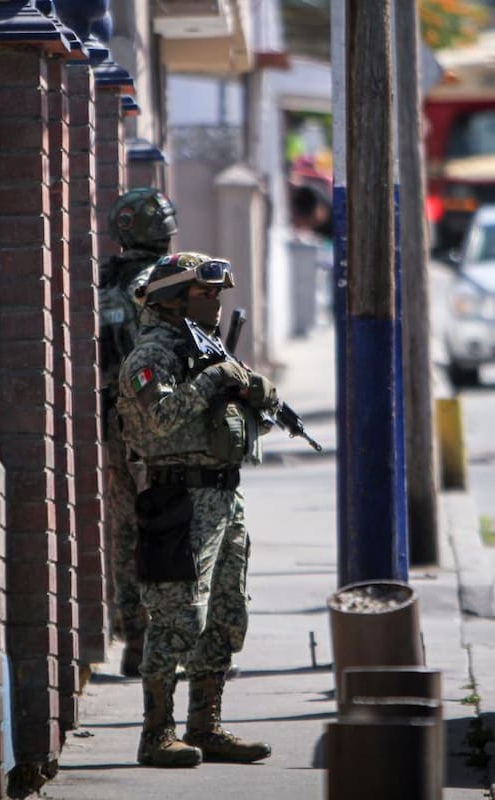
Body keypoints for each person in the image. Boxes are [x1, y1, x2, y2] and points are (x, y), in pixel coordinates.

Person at [116, 252, 278, 768]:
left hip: (226, 497)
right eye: (204, 294)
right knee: (177, 617)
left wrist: (255, 393)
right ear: (174, 299)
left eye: (217, 294)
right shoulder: (152, 354)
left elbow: (256, 422)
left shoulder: (205, 350)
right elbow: (161, 417)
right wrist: (213, 381)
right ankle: (156, 733)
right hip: (179, 500)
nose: (215, 302)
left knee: (228, 615)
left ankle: (205, 725)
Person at [99, 187, 179, 677]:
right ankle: (171, 644)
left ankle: (136, 640)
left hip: (116, 421)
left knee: (127, 529)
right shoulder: (166, 284)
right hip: (161, 419)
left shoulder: (105, 284)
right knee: (170, 527)